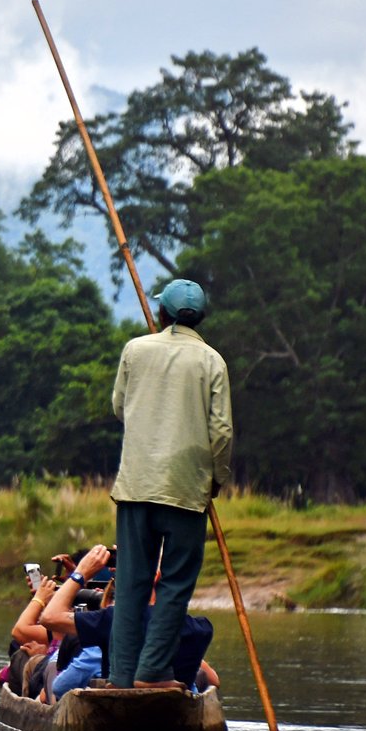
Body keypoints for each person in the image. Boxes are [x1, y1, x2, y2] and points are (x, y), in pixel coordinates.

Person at [108, 278, 232, 690]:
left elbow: (120, 408)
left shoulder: (135, 350)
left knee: (130, 583)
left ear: (162, 315)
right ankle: (152, 674)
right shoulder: (212, 361)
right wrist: (218, 479)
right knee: (176, 582)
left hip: (136, 485)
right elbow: (222, 433)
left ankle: (123, 677)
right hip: (185, 490)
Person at [42, 544, 215, 691]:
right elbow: (213, 680)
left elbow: (49, 617)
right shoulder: (200, 629)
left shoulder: (113, 621)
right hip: (178, 716)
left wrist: (81, 572)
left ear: (155, 576)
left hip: (120, 712)